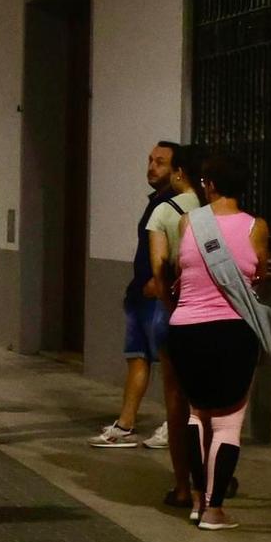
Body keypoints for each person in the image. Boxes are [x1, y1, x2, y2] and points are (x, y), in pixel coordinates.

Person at [163, 149, 271, 530]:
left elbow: (178, 268)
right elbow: (259, 274)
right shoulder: (256, 227)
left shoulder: (188, 223)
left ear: (208, 185)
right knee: (227, 424)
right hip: (232, 332)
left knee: (196, 414)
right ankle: (214, 510)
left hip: (186, 331)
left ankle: (196, 499)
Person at [89, 141, 190, 449]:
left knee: (171, 365)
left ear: (177, 170)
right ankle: (125, 423)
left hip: (160, 294)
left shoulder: (179, 206)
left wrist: (161, 284)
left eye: (160, 162)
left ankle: (174, 424)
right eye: (149, 160)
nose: (151, 167)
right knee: (136, 357)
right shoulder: (155, 203)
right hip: (140, 293)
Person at [142, 144, 204, 499]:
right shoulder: (217, 210)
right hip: (211, 314)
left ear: (179, 172)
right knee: (210, 404)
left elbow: (159, 269)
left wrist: (170, 306)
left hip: (175, 313)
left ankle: (183, 485)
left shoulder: (164, 211)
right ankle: (213, 476)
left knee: (176, 402)